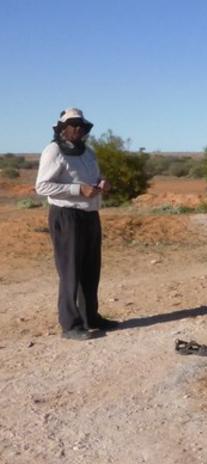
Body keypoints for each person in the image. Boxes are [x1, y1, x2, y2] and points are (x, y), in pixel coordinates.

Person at [35, 108, 116, 340]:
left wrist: (101, 183)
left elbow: (94, 178)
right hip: (66, 216)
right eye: (72, 124)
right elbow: (42, 186)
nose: (77, 129)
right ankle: (70, 325)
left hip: (90, 215)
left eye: (80, 125)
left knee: (91, 269)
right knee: (70, 271)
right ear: (62, 128)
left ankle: (92, 317)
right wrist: (77, 189)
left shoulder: (88, 152)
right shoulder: (53, 151)